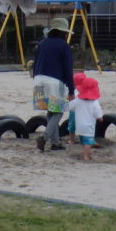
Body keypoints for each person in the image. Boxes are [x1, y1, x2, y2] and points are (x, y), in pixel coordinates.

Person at [32, 17, 76, 152]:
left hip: (38, 79)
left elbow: (35, 64)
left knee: (50, 111)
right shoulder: (64, 46)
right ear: (63, 32)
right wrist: (71, 90)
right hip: (55, 82)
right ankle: (44, 137)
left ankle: (55, 142)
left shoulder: (42, 44)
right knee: (58, 112)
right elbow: (68, 69)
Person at [67, 77, 104, 161]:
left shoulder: (78, 100)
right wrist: (100, 119)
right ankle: (86, 156)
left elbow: (70, 107)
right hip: (88, 126)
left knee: (83, 141)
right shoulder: (94, 103)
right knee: (88, 141)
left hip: (79, 126)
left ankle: (88, 151)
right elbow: (99, 116)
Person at [67, 71, 87, 144]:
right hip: (85, 111)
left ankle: (72, 140)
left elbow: (70, 100)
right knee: (84, 125)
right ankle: (83, 140)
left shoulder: (72, 91)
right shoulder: (87, 90)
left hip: (74, 111)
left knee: (72, 125)